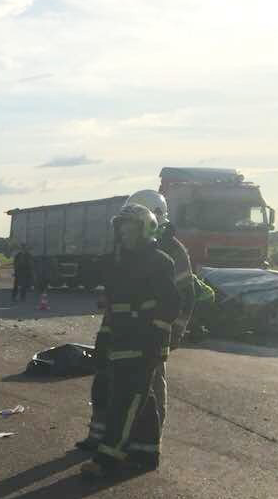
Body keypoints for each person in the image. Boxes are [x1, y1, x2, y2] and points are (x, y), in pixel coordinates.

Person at [80, 204, 180, 479]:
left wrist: (156, 339)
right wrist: (104, 339)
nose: (124, 234)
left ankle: (107, 458)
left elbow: (170, 306)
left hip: (145, 341)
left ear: (146, 229)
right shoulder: (119, 263)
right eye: (121, 228)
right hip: (120, 339)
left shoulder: (161, 262)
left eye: (130, 228)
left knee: (126, 401)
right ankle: (147, 453)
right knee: (140, 398)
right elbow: (113, 306)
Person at [126, 188, 195, 432]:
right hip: (130, 331)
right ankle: (123, 435)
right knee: (125, 384)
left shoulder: (172, 251)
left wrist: (174, 332)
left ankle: (151, 439)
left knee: (152, 384)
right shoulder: (131, 247)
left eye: (134, 223)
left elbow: (185, 296)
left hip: (156, 330)